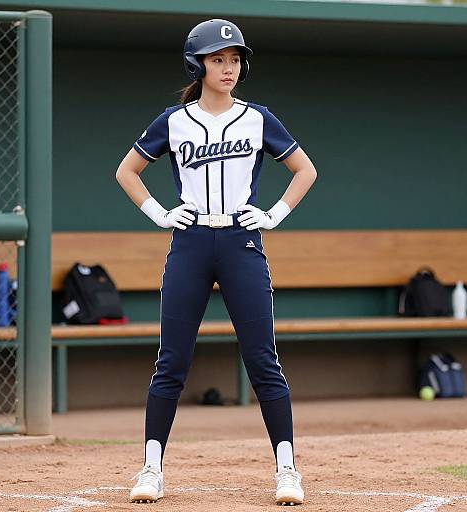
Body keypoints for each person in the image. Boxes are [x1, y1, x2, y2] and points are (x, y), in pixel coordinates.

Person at [115, 18, 317, 506]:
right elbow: (127, 170)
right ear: (198, 64)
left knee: (262, 359)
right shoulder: (175, 119)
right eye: (218, 59)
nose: (229, 67)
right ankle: (151, 468)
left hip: (241, 242)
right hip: (190, 242)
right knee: (172, 360)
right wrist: (160, 213)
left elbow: (305, 170)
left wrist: (273, 215)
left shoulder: (257, 117)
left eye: (234, 59)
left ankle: (287, 470)